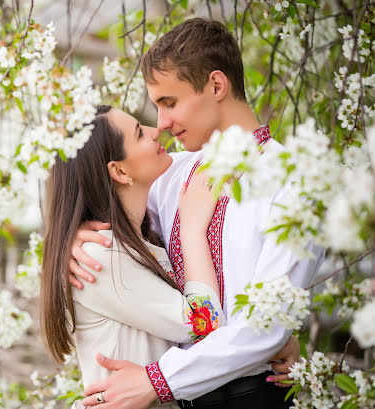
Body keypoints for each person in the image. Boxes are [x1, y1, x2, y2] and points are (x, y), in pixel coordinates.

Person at [70, 18, 325, 409]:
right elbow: (110, 205)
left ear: (217, 86)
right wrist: (76, 235)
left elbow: (265, 329)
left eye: (169, 103)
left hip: (252, 398)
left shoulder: (294, 183)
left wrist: (158, 381)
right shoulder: (169, 174)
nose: (163, 124)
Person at [40, 105, 228, 409]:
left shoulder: (138, 240)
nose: (157, 131)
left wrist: (272, 342)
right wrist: (192, 231)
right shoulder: (102, 255)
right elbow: (203, 325)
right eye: (140, 133)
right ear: (120, 171)